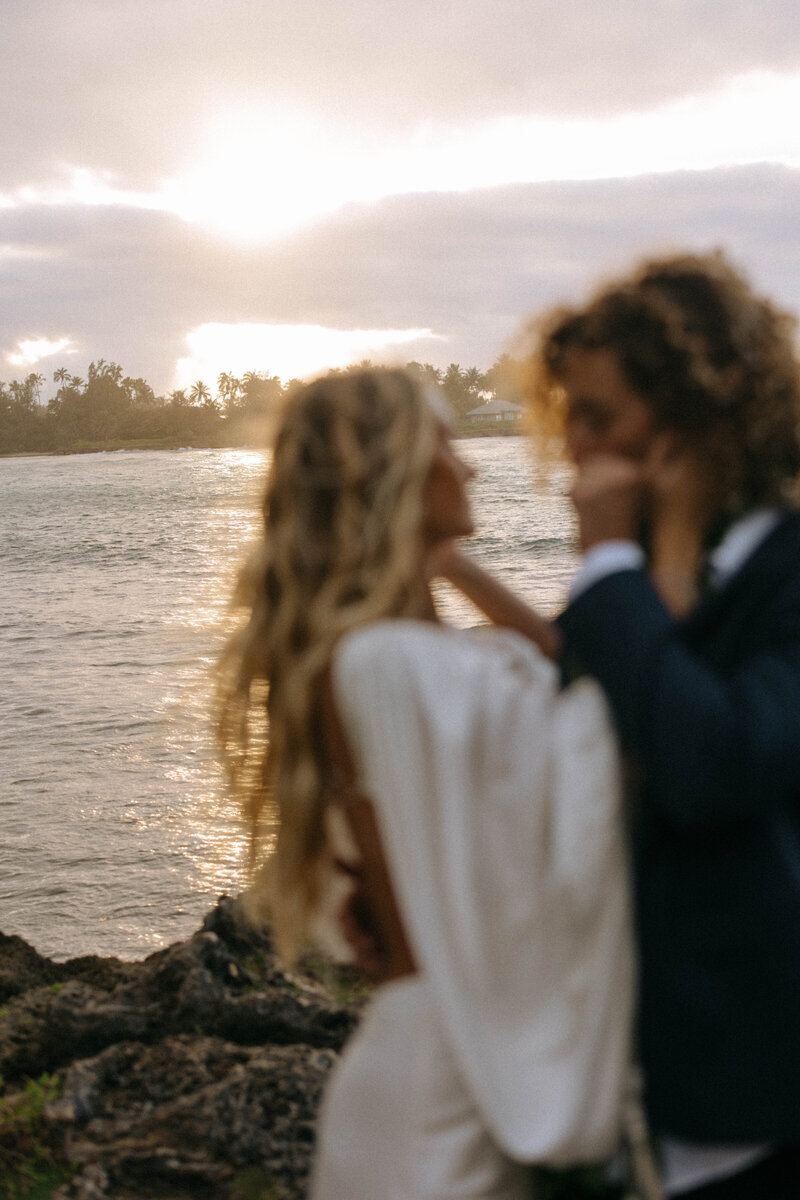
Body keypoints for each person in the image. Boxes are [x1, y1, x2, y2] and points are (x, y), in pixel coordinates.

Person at [216, 367, 635, 1200]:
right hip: (438, 1097)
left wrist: (449, 565)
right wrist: (610, 560)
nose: (471, 468)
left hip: (456, 1061)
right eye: (446, 446)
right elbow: (602, 718)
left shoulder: (400, 660)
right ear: (396, 471)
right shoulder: (390, 668)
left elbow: (564, 680)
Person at [442, 250, 800, 1198]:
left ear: (687, 415)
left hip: (764, 1086)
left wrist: (606, 567)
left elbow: (719, 763)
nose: (575, 454)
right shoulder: (666, 576)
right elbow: (581, 680)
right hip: (639, 1075)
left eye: (597, 421)